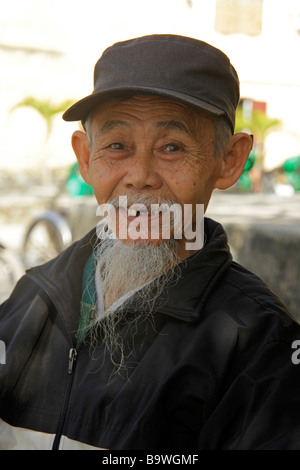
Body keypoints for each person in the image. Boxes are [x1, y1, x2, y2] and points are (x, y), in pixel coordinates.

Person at [0, 34, 300, 451]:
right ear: (86, 158)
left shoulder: (260, 343)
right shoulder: (34, 293)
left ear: (229, 160)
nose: (139, 175)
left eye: (172, 147)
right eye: (118, 146)